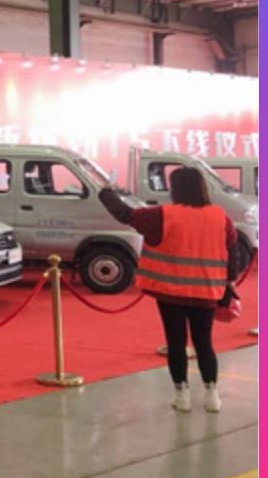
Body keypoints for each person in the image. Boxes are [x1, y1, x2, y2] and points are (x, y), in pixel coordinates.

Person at [99, 167, 238, 413]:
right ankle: (212, 396)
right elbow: (232, 251)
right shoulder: (220, 217)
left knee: (176, 343)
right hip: (206, 292)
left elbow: (125, 214)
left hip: (171, 292)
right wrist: (230, 283)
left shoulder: (162, 215)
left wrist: (106, 193)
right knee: (204, 343)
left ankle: (182, 396)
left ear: (176, 189)